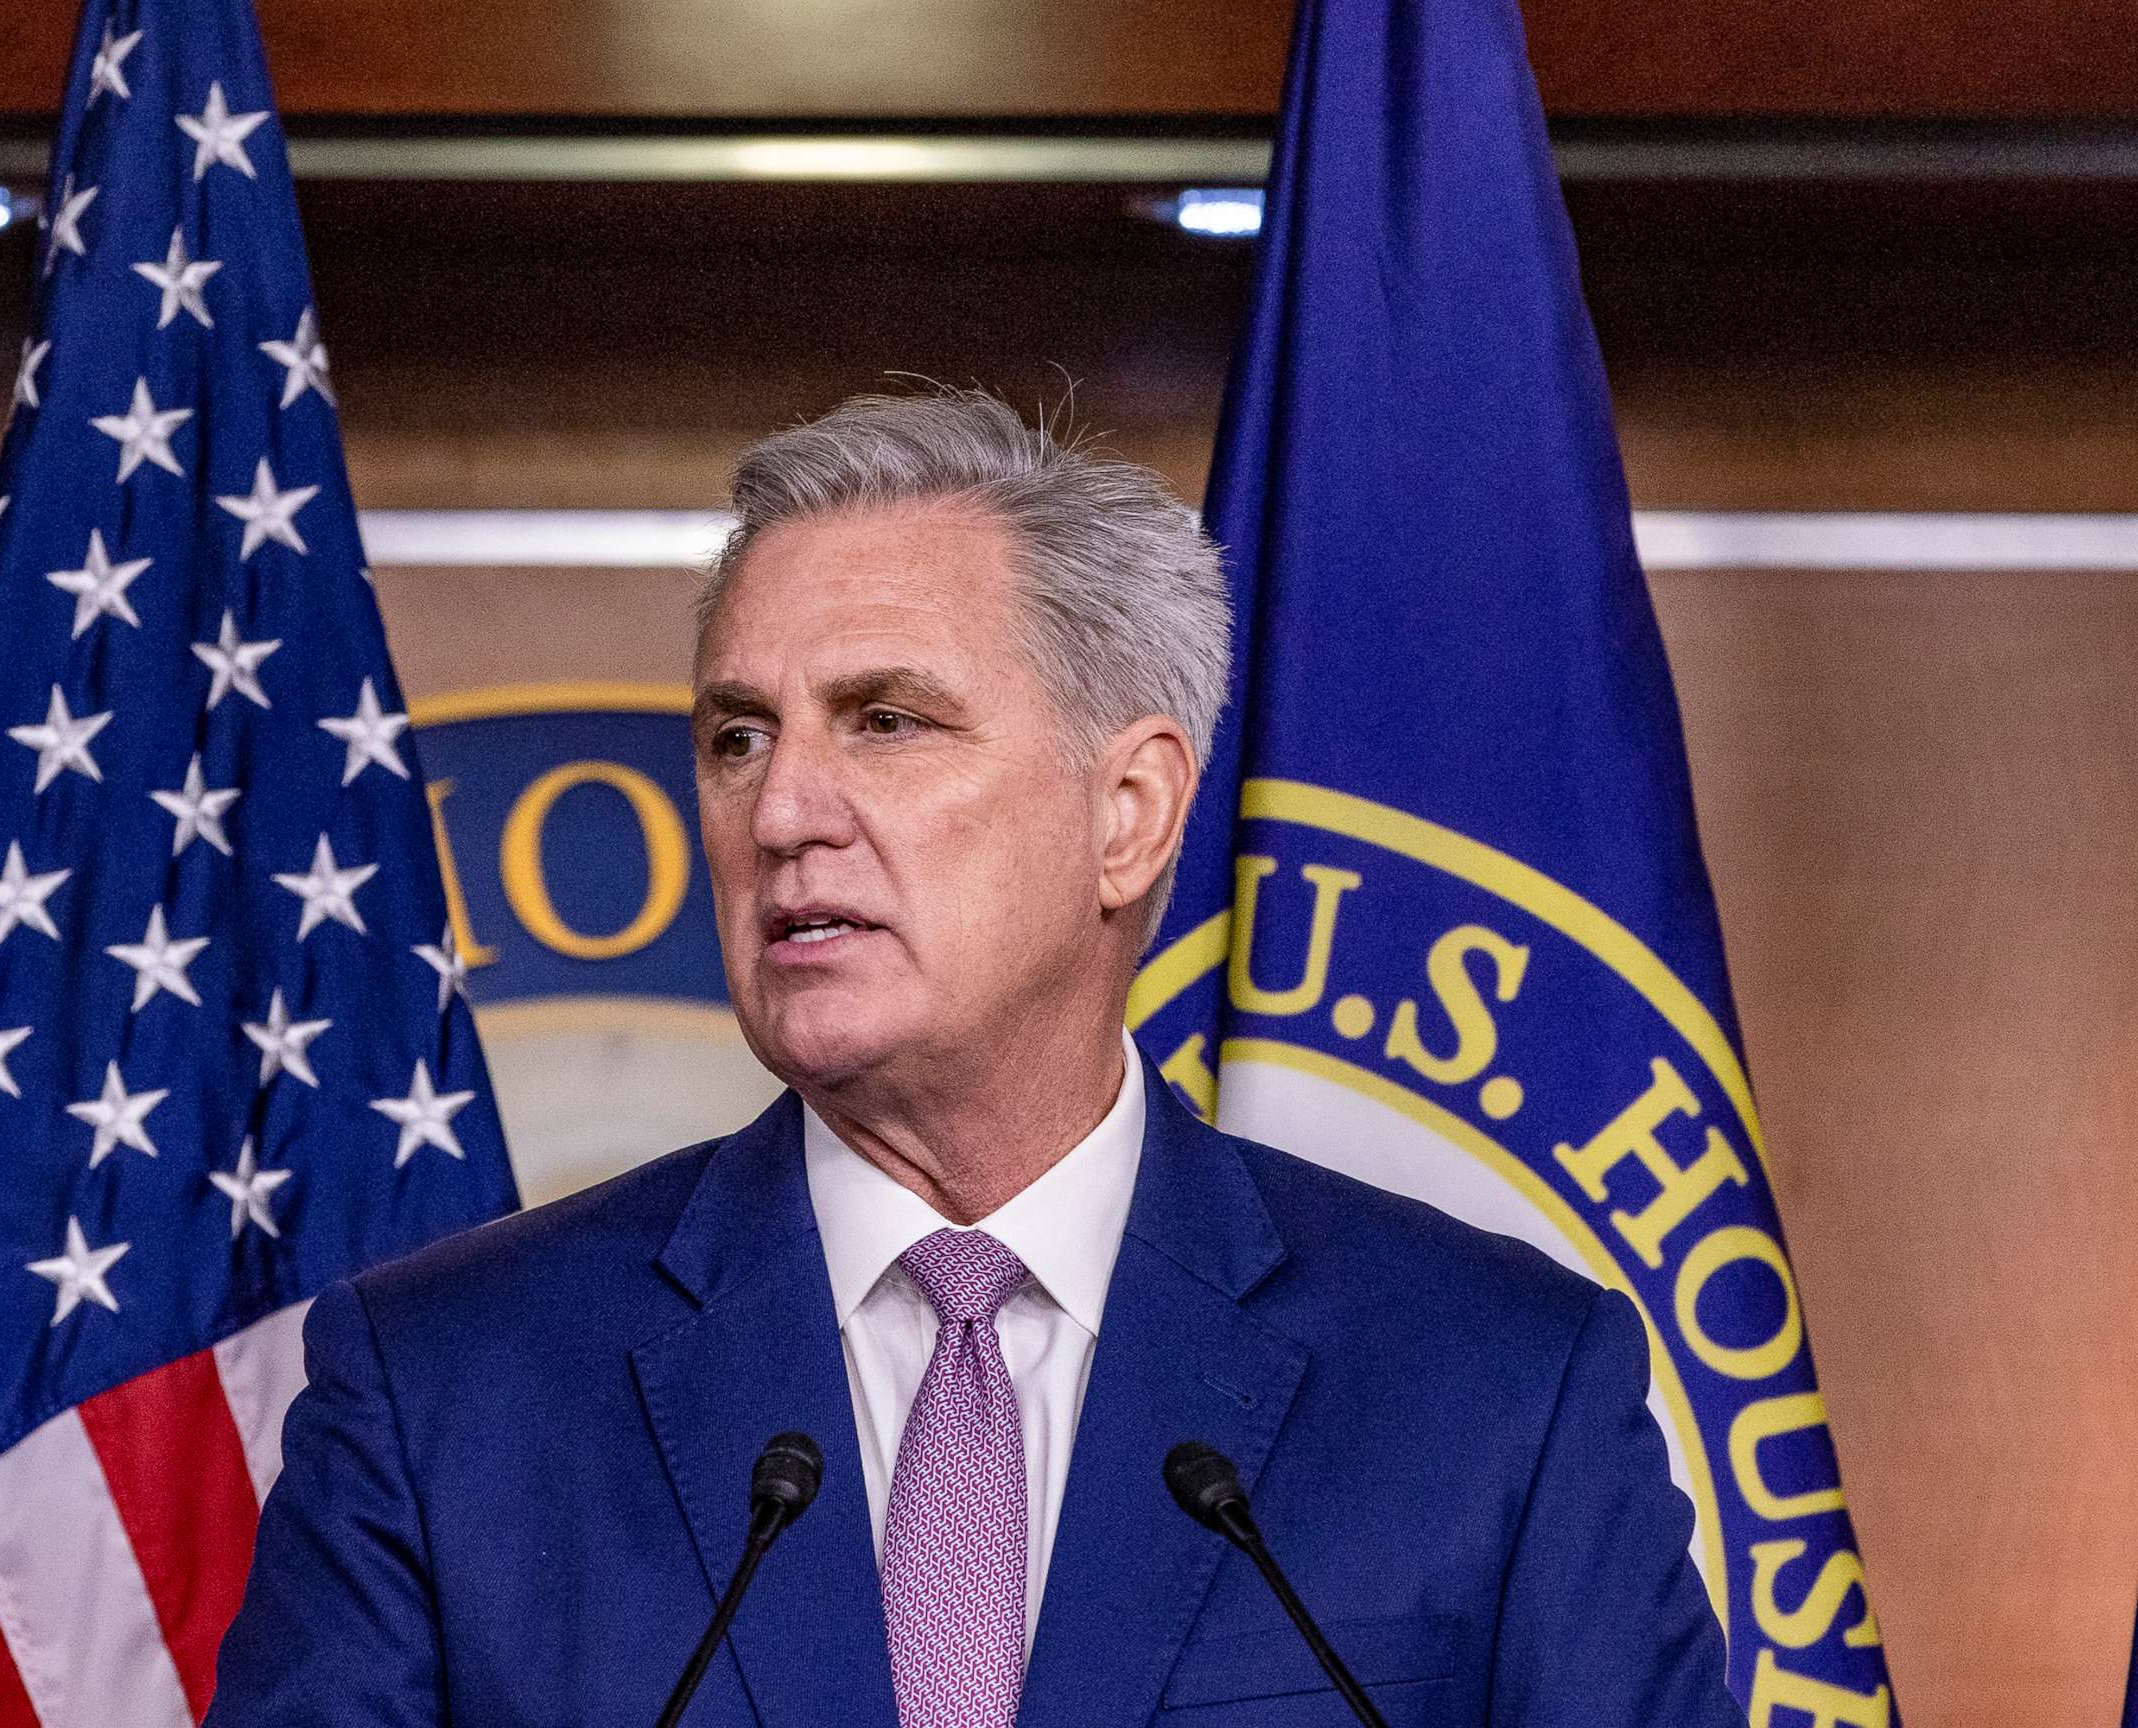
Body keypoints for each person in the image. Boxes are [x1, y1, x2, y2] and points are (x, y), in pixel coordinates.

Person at [206, 390, 1741, 1727]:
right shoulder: (446, 1397)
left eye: (885, 720)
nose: (784, 807)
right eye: (738, 735)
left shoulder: (1496, 1392)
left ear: (1128, 812)